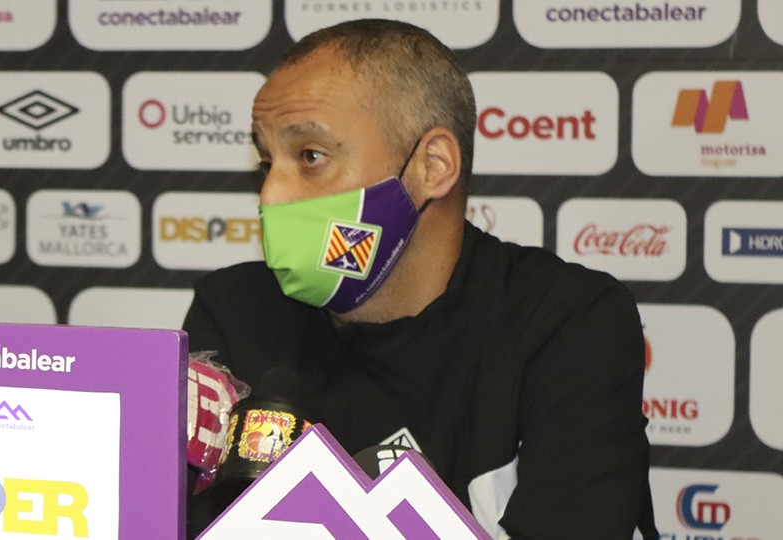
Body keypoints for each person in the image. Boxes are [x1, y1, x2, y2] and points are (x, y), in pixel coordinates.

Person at [183, 18, 657, 539]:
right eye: (266, 162)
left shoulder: (566, 320)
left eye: (311, 157)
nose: (270, 196)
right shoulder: (233, 309)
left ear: (432, 166)